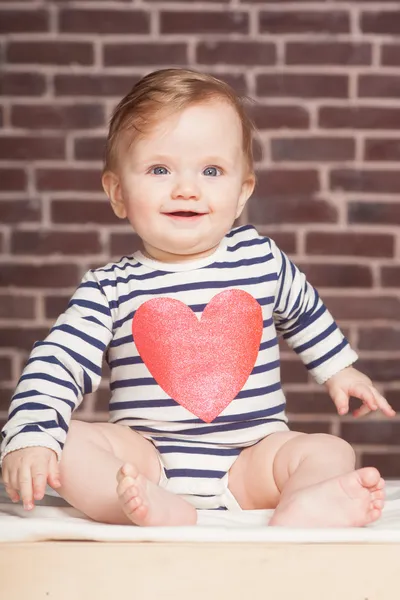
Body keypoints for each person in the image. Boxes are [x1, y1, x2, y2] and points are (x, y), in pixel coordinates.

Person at [0, 68, 395, 528]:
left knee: (330, 449)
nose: (186, 187)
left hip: (252, 458)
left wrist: (338, 368)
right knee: (65, 442)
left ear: (242, 190)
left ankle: (304, 507)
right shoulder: (110, 286)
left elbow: (303, 310)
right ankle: (149, 507)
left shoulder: (261, 259)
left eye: (211, 170)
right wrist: (31, 436)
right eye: (159, 169)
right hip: (146, 458)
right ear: (118, 193)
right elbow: (58, 360)